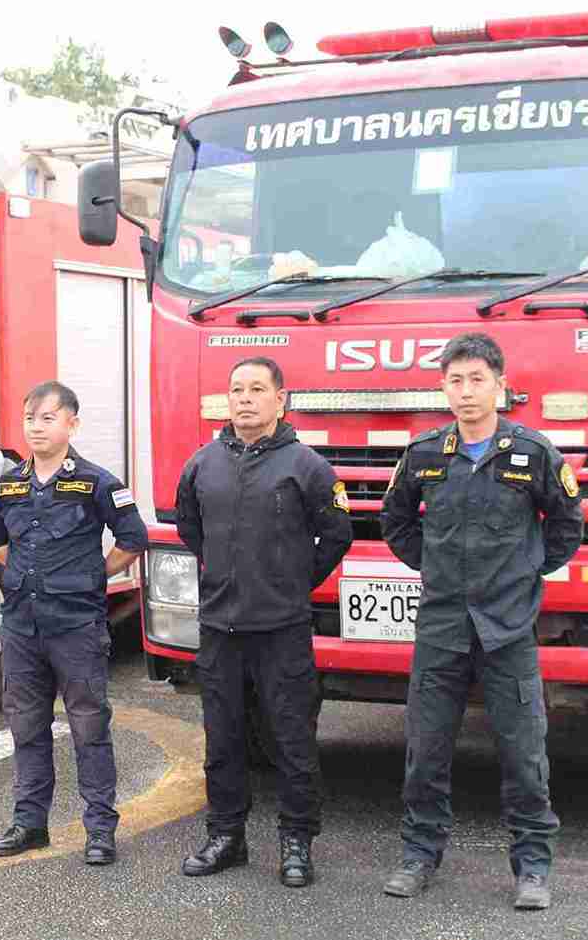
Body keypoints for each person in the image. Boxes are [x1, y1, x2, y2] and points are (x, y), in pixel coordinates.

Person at [379, 332, 583, 911]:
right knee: (426, 751)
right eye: (455, 380)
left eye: (477, 379)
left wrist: (525, 571)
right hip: (442, 628)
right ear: (443, 388)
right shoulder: (424, 454)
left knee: (524, 754)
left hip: (508, 630)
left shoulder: (533, 453)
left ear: (500, 385)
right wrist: (435, 566)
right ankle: (419, 856)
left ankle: (533, 867)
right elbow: (396, 521)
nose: (466, 391)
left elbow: (567, 523)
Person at [174, 356, 354, 888]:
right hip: (220, 630)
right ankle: (226, 835)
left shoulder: (307, 466)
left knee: (292, 740)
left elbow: (337, 534)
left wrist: (292, 582)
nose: (245, 399)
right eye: (237, 390)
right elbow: (190, 528)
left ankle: (297, 841)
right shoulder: (202, 464)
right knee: (223, 740)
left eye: (257, 389)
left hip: (282, 630)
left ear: (281, 399)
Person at [0, 381, 148, 866]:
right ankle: (30, 824)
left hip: (76, 625)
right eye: (29, 418)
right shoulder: (8, 484)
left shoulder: (97, 482)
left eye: (48, 418)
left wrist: (93, 574)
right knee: (26, 726)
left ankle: (100, 830)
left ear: (72, 424)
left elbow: (133, 538)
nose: (36, 427)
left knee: (88, 726)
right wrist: (26, 572)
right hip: (22, 626)